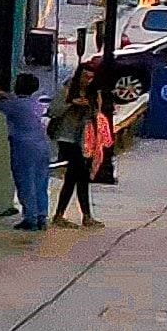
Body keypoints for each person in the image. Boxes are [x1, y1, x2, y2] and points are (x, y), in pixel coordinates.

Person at [0, 62, 53, 231]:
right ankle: (41, 215)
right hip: (42, 145)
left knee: (25, 180)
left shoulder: (14, 105)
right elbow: (9, 98)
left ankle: (30, 217)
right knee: (40, 180)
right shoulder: (35, 103)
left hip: (24, 147)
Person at [52, 71, 100, 227]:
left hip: (83, 139)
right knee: (77, 176)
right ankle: (73, 215)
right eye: (85, 77)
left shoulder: (92, 93)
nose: (88, 81)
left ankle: (78, 215)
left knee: (78, 177)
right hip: (67, 138)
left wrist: (91, 106)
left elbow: (96, 115)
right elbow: (53, 111)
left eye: (91, 78)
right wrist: (72, 103)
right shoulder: (66, 90)